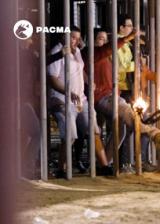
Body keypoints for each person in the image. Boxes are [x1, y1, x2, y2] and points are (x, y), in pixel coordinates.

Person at [88, 28, 160, 172]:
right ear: (92, 40)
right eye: (100, 38)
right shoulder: (92, 54)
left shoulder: (108, 57)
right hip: (102, 97)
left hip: (112, 95)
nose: (103, 41)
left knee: (121, 131)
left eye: (104, 39)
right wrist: (127, 38)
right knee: (127, 113)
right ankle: (153, 134)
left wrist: (158, 75)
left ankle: (104, 164)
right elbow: (115, 59)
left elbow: (143, 71)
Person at [47, 26, 111, 178]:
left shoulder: (76, 51)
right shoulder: (57, 52)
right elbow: (53, 80)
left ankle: (104, 165)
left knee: (94, 130)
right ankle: (62, 168)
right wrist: (68, 91)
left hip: (81, 99)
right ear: (64, 36)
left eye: (78, 37)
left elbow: (80, 70)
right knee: (70, 135)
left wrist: (89, 82)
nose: (76, 41)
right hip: (61, 99)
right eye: (73, 37)